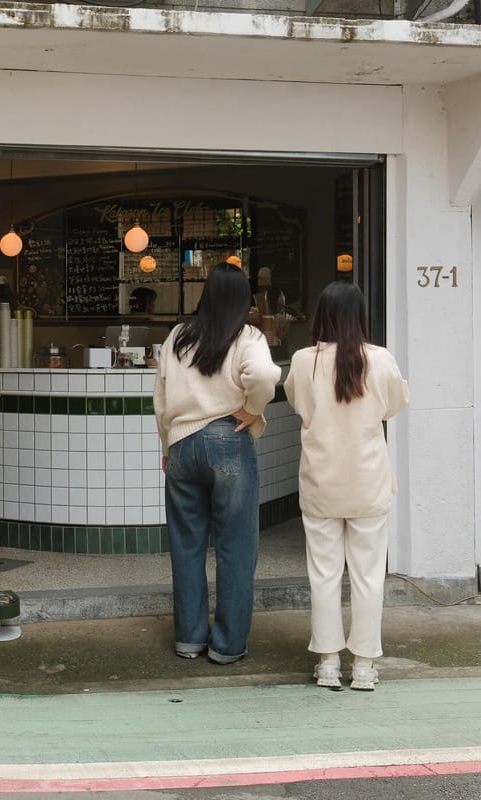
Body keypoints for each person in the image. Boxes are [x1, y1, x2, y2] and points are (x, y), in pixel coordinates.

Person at [283, 282, 409, 691]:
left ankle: (328, 664)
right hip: (368, 482)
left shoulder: (305, 362)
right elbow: (394, 405)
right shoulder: (380, 359)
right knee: (368, 577)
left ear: (322, 315)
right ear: (360, 317)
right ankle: (366, 667)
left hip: (321, 481)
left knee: (323, 575)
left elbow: (298, 404)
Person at [153, 262, 281, 664]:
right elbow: (263, 374)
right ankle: (226, 645)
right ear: (243, 300)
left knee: (186, 544)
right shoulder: (248, 336)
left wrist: (166, 443)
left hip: (182, 445)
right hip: (229, 439)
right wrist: (253, 409)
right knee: (235, 545)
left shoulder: (178, 335)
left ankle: (189, 638)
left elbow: (160, 398)